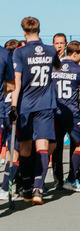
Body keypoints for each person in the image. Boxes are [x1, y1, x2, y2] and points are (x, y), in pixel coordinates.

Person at [11, 17, 61, 204]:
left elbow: (17, 82)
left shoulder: (20, 52)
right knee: (42, 148)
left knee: (24, 149)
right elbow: (58, 65)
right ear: (39, 30)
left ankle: (26, 188)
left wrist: (13, 107)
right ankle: (39, 188)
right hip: (45, 105)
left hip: (25, 106)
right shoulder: (50, 50)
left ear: (23, 31)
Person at [51, 40, 80, 192]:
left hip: (55, 112)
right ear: (74, 53)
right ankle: (71, 179)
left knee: (52, 148)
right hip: (72, 113)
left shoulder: (54, 66)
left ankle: (38, 184)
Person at [0, 40, 17, 203]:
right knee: (16, 150)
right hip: (5, 112)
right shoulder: (6, 57)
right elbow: (11, 87)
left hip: (4, 111)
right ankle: (5, 188)